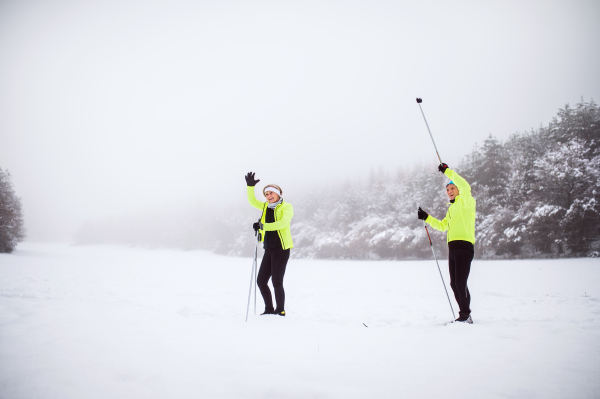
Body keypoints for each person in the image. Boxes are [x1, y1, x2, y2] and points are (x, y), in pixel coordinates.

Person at [417, 163, 476, 324]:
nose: (450, 192)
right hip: (453, 248)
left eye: (452, 189)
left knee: (460, 282)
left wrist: (447, 172)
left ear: (458, 191)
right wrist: (427, 218)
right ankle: (464, 314)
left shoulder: (466, 202)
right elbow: (443, 226)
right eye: (448, 190)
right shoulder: (452, 209)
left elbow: (464, 185)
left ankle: (465, 315)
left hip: (465, 246)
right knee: (454, 283)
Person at [245, 172, 294, 317]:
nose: (269, 196)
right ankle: (269, 309)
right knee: (261, 281)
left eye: (271, 193)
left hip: (281, 248)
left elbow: (283, 223)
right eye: (266, 194)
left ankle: (280, 310)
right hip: (269, 248)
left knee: (276, 281)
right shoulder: (266, 206)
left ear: (278, 194)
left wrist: (263, 226)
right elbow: (252, 202)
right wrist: (250, 186)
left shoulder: (286, 207)